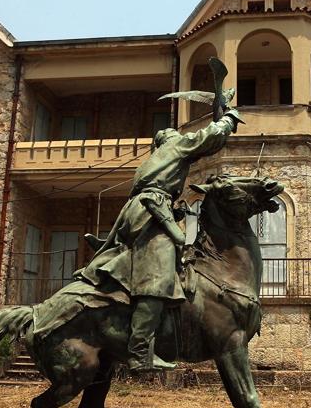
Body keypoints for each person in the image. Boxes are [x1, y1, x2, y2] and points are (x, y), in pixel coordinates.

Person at [79, 109, 243, 372]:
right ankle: (140, 350)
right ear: (167, 140)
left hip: (143, 212)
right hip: (151, 213)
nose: (175, 134)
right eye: (171, 134)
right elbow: (209, 137)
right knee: (157, 279)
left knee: (144, 268)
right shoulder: (174, 146)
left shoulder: (154, 161)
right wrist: (228, 119)